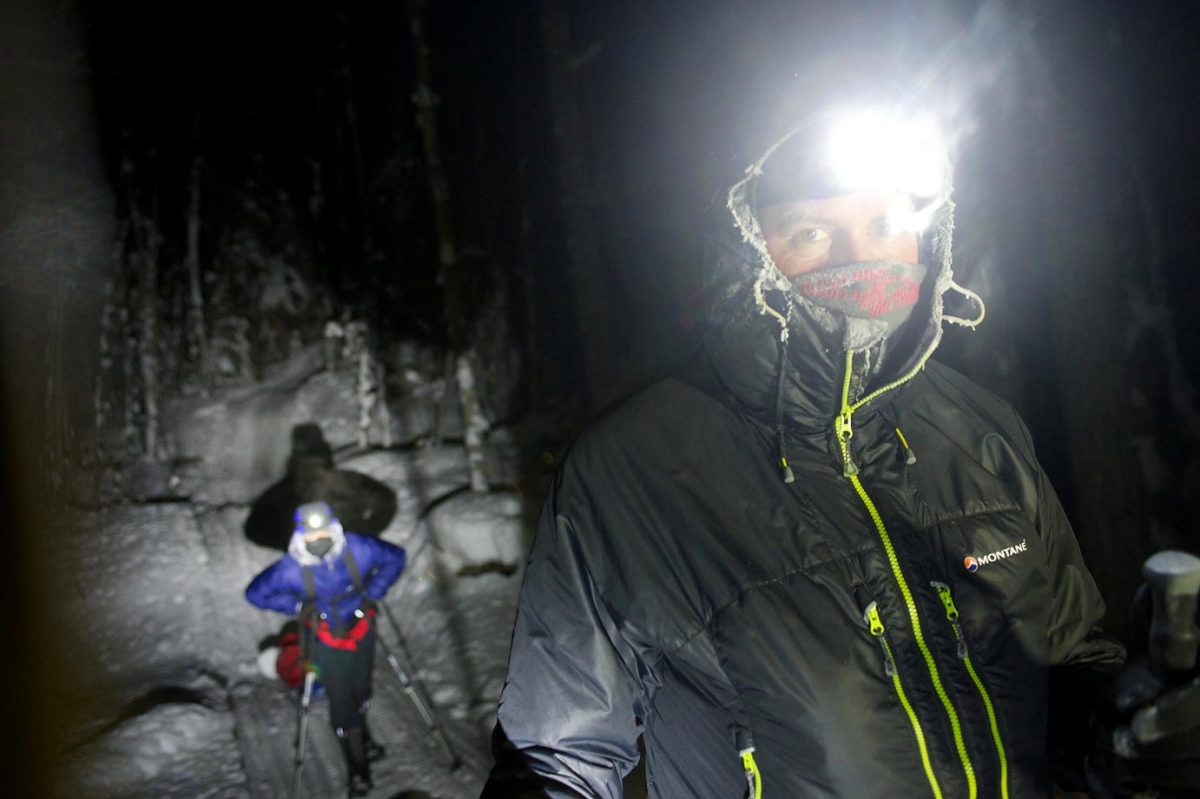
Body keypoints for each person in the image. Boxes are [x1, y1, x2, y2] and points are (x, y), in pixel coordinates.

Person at [482, 103, 1199, 798]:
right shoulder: (631, 472)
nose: (861, 259)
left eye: (885, 223)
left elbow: (1066, 657)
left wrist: (1123, 729)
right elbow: (554, 761)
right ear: (743, 246)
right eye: (813, 232)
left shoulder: (981, 429)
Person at [247, 500, 406, 798]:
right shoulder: (293, 567)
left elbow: (395, 557)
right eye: (310, 534)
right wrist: (297, 606)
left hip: (362, 631)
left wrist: (373, 591)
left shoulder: (358, 548)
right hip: (324, 640)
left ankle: (364, 739)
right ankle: (358, 770)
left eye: (322, 533)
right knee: (341, 697)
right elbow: (255, 593)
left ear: (334, 529)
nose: (317, 539)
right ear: (300, 535)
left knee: (361, 689)